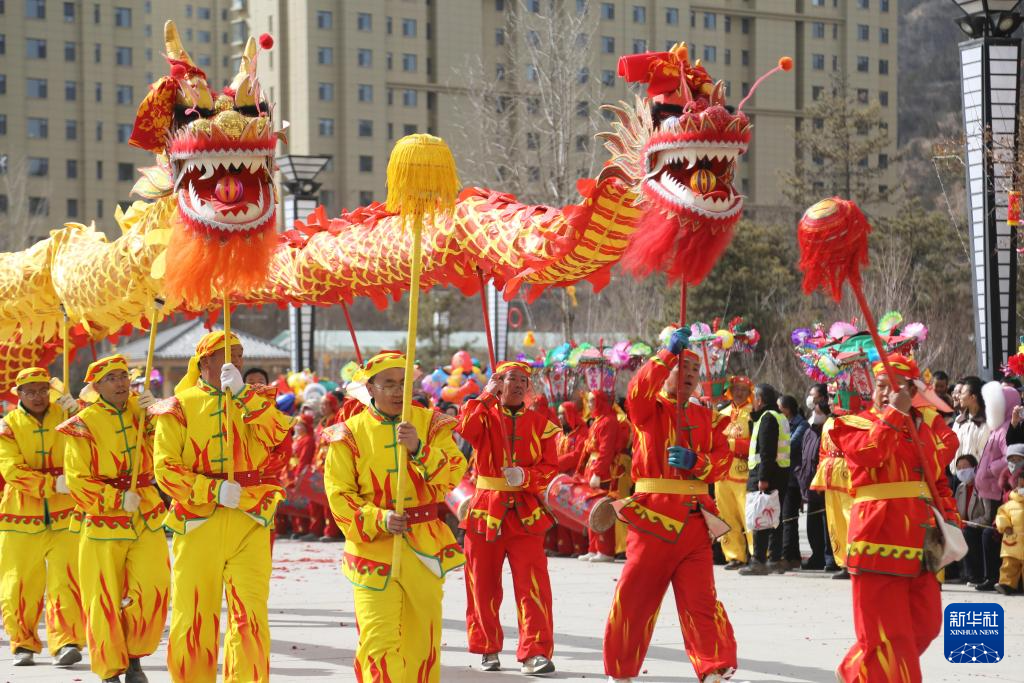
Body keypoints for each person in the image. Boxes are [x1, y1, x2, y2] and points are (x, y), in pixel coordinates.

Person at [152, 330, 292, 683]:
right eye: (229, 354)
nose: (238, 361)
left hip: (250, 519)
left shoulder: (256, 400)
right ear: (205, 362)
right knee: (194, 615)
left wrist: (244, 395)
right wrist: (211, 489)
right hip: (198, 522)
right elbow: (165, 470)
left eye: (240, 354)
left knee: (252, 616)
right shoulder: (178, 406)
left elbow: (278, 440)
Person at [323, 351, 467, 681]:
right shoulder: (348, 433)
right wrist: (378, 518)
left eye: (404, 383)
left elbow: (454, 474)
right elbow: (339, 494)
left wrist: (419, 449)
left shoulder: (431, 423)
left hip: (424, 548)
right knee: (377, 641)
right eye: (388, 384)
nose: (398, 391)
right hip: (372, 551)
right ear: (369, 388)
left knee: (421, 643)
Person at [603, 328, 736, 683]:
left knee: (701, 601)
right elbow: (637, 390)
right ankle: (621, 669)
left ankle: (712, 666)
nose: (690, 375)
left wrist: (698, 462)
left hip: (695, 522)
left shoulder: (707, 417)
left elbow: (723, 460)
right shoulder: (648, 409)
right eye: (683, 368)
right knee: (635, 597)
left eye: (695, 370)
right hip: (652, 520)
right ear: (667, 373)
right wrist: (664, 355)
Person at [830, 355, 958, 683]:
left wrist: (949, 520)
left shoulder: (924, 430)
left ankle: (855, 670)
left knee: (926, 625)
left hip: (922, 541)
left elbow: (937, 481)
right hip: (878, 537)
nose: (887, 393)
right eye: (881, 386)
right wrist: (895, 413)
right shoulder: (853, 424)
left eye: (896, 387)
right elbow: (872, 452)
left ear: (912, 391)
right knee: (892, 637)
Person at [60, 355, 168, 683]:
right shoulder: (83, 423)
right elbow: (77, 479)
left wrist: (159, 415)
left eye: (123, 376)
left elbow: (167, 447)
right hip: (102, 520)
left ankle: (134, 655)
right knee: (102, 598)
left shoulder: (143, 410)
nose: (121, 383)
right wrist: (116, 498)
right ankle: (110, 669)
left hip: (146, 514)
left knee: (153, 589)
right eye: (112, 378)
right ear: (96, 386)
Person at [457, 360, 559, 675]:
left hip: (525, 512)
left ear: (528, 388)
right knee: (482, 583)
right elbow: (464, 429)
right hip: (485, 510)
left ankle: (535, 652)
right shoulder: (483, 414)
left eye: (522, 380)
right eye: (510, 379)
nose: (516, 385)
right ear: (498, 382)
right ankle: (487, 647)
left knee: (533, 585)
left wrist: (526, 476)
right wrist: (486, 395)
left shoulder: (541, 424)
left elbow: (550, 469)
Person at [0, 367, 85, 667]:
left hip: (66, 514)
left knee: (68, 579)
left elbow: (91, 440)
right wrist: (50, 484)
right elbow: (10, 469)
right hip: (20, 516)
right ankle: (22, 643)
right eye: (30, 391)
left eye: (42, 390)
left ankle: (66, 641)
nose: (37, 397)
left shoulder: (66, 415)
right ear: (19, 394)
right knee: (19, 583)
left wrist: (80, 413)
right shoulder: (8, 426)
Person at [739, 383, 791, 576]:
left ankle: (759, 560)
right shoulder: (779, 416)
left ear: (760, 400)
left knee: (760, 515)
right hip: (780, 473)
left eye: (754, 398)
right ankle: (774, 559)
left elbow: (766, 451)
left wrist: (763, 478)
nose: (752, 402)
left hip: (767, 474)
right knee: (774, 518)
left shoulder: (767, 418)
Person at [972, 381, 1019, 591]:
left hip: (996, 490)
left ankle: (993, 576)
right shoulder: (997, 427)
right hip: (987, 489)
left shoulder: (1007, 427)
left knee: (991, 534)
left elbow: (1011, 455)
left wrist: (991, 468)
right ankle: (989, 575)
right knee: (986, 533)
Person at [578, 390, 622, 563]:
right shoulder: (598, 420)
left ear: (601, 402)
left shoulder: (609, 421)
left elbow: (606, 450)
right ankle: (593, 547)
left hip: (603, 472)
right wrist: (581, 470)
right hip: (593, 467)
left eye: (592, 401)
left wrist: (598, 472)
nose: (589, 405)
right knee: (591, 509)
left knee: (602, 509)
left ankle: (605, 550)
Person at [717, 376, 754, 569]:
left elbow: (755, 444)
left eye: (743, 389)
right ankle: (734, 555)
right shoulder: (721, 414)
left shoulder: (752, 414)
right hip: (722, 473)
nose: (739, 393)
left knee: (748, 515)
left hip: (743, 472)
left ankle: (757, 554)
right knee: (726, 515)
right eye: (736, 389)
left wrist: (730, 445)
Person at [547, 400, 588, 557]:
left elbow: (577, 455)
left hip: (575, 478)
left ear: (570, 414)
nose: (559, 417)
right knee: (560, 513)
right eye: (558, 414)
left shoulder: (582, 432)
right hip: (560, 478)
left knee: (574, 513)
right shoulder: (559, 434)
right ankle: (564, 548)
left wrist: (556, 463)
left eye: (562, 414)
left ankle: (579, 548)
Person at [796, 385, 830, 569]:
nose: (811, 401)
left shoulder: (829, 427)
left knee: (826, 523)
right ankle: (817, 556)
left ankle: (829, 557)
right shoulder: (810, 428)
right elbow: (803, 454)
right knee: (812, 524)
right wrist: (800, 473)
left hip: (824, 483)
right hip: (809, 483)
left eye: (814, 397)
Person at [778, 395, 808, 570]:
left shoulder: (801, 425)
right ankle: (793, 555)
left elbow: (789, 446)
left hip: (793, 479)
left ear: (787, 409)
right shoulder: (783, 423)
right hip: (783, 476)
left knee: (789, 518)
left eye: (779, 407)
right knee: (784, 518)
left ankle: (789, 557)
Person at [954, 454, 987, 585]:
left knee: (968, 533)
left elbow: (987, 516)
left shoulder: (982, 486)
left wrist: (970, 524)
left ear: (974, 467)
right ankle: (957, 573)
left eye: (965, 467)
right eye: (959, 468)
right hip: (964, 525)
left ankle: (974, 576)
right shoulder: (960, 488)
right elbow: (957, 512)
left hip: (980, 526)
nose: (962, 471)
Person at [994, 468, 1024, 594]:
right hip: (1012, 542)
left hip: (1013, 542)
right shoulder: (1009, 504)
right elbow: (1001, 515)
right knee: (1008, 565)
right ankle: (1006, 585)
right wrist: (1005, 526)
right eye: (1020, 484)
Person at [950, 377, 988, 476]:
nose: (959, 397)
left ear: (973, 397)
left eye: (962, 393)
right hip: (957, 476)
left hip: (979, 477)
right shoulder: (958, 421)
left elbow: (985, 454)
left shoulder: (986, 423)